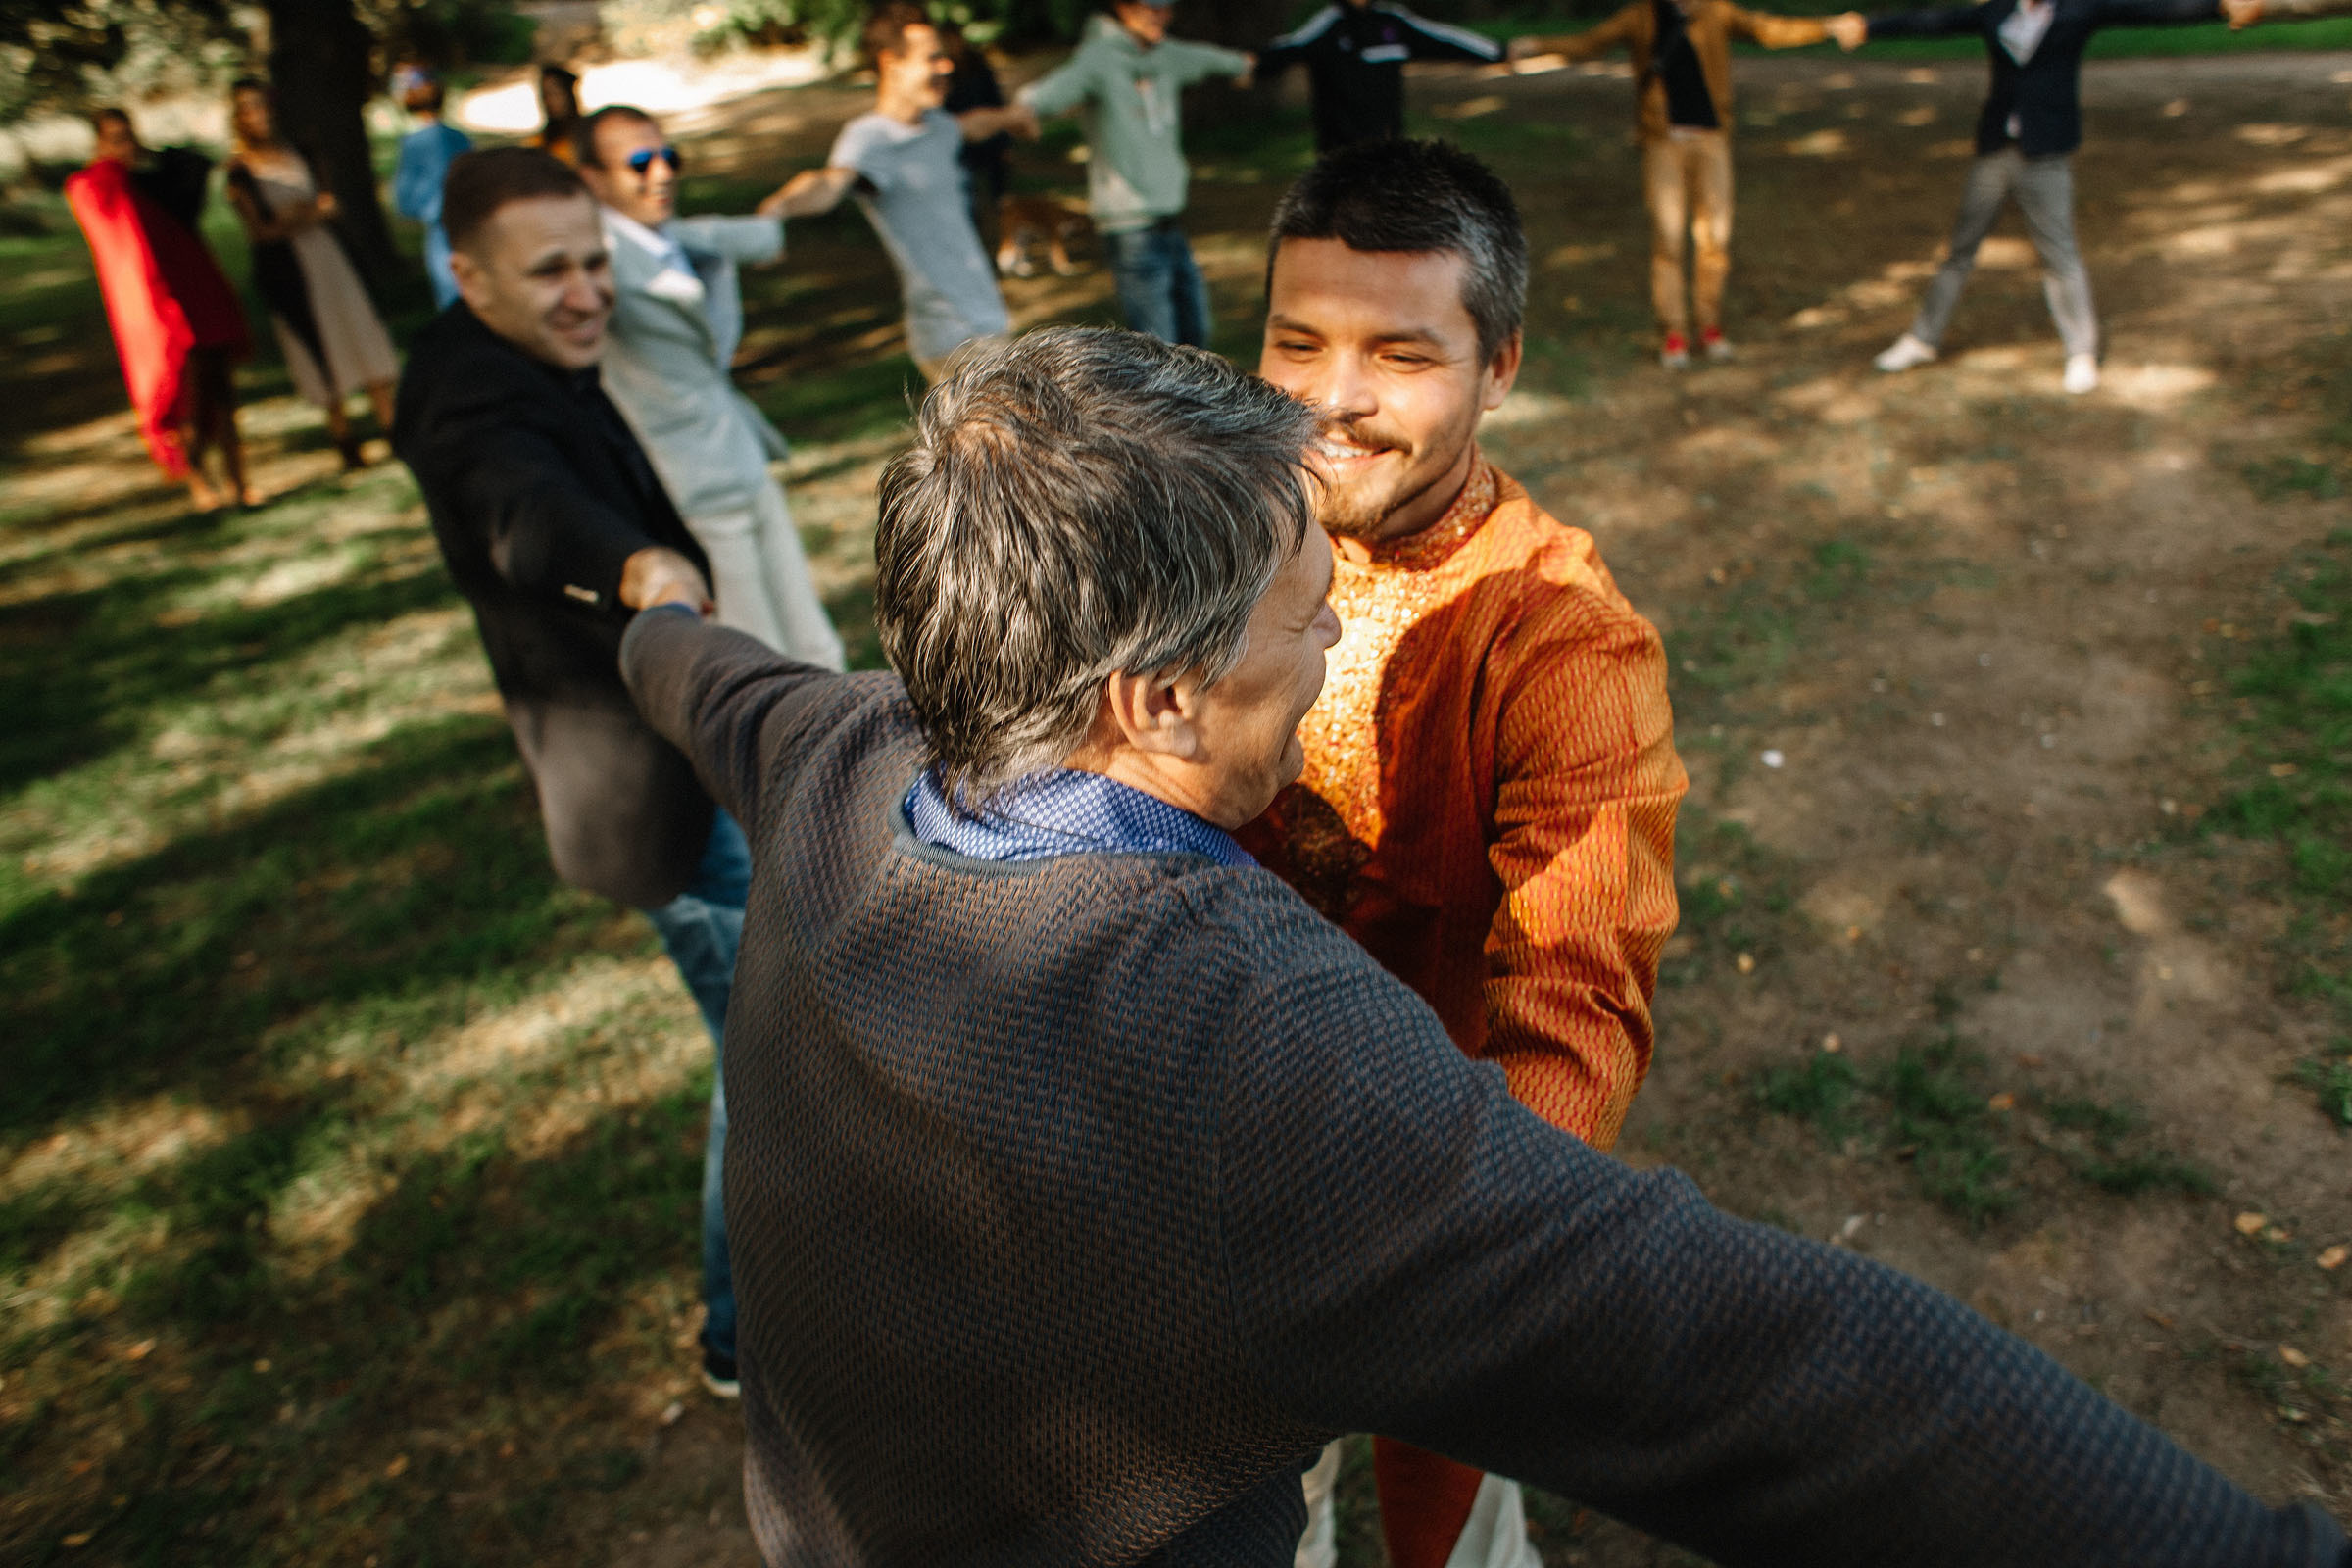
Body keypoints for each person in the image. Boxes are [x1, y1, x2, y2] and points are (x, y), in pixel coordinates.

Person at [616, 324, 2351, 1568]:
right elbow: (1756, 1369)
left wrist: (653, 619)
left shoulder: (852, 752)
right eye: (1308, 622)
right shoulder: (1239, 1043)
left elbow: (715, 685)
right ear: (1156, 697)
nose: (1328, 657)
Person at [1239, 137, 1685, 1568]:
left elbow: (1580, 984)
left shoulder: (1559, 636)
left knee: (1456, 1528)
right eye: (1295, 340)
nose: (1333, 399)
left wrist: (1467, 1253)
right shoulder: (1210, 540)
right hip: (1209, 1162)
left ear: (1499, 367)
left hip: (1435, 1196)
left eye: (1401, 354)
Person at [390, 147, 750, 1399]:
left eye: (596, 260)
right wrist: (639, 567)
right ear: (468, 276)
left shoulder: (520, 354)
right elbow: (521, 513)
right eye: (552, 270)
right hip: (643, 787)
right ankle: (738, 1333)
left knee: (777, 1037)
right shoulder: (465, 399)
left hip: (675, 756)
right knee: (770, 1049)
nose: (588, 291)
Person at [573, 104, 847, 667]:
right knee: (757, 652)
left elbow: (757, 236)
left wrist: (800, 197)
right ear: (592, 180)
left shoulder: (673, 236)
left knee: (811, 636)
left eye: (669, 157)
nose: (663, 174)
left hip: (741, 455)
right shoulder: (598, 264)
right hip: (689, 479)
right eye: (640, 162)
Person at [1866, 0, 2221, 394]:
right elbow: (1932, 20)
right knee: (1959, 252)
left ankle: (2080, 353)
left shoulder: (2078, 11)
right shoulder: (1997, 12)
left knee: (2061, 255)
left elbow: (2151, 10)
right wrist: (1866, 27)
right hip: (1996, 152)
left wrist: (2221, 6)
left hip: (2046, 157)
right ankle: (1922, 340)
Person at [1519, 1, 1866, 368]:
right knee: (1668, 239)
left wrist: (1827, 26)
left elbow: (1769, 29)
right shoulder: (1640, 16)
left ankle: (1710, 326)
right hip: (1662, 141)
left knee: (1715, 237)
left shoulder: (1714, 11)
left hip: (1711, 139)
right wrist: (1536, 46)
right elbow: (1590, 43)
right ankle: (1673, 334)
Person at [773, 4, 1035, 382]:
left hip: (985, 318)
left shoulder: (936, 126)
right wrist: (777, 209)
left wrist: (1012, 117)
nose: (946, 67)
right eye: (932, 58)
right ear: (890, 63)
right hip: (951, 334)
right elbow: (829, 186)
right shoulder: (869, 137)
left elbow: (971, 125)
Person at [1017, 0, 1253, 347]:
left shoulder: (1166, 55)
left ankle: (1193, 400)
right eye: (1152, 6)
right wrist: (1024, 108)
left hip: (1169, 218)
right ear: (1124, 7)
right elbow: (1050, 93)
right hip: (1130, 227)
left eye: (1168, 7)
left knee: (1196, 336)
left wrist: (1242, 65)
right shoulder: (1099, 59)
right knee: (1161, 347)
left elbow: (1208, 58)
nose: (1162, 15)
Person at [65, 108, 254, 510]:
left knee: (220, 387)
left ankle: (240, 481)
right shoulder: (99, 187)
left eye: (129, 137)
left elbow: (193, 186)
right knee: (184, 394)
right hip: (158, 306)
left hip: (198, 291)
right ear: (99, 143)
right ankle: (200, 481)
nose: (126, 147)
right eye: (115, 139)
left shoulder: (158, 179)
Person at [221, 77, 400, 469]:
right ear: (239, 117)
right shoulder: (240, 173)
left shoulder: (301, 150)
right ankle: (346, 439)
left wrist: (300, 215)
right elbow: (261, 231)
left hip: (330, 256)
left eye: (262, 105)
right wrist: (301, 216)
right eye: (248, 108)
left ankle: (391, 428)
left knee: (359, 329)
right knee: (317, 344)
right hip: (290, 270)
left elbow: (328, 204)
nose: (259, 114)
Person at [1256, 0, 1505, 154]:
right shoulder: (1328, 25)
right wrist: (1254, 66)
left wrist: (1497, 52)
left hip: (1388, 143)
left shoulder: (1393, 21)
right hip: (1339, 149)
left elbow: (1443, 39)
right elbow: (1288, 49)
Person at [392, 65, 473, 309]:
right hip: (458, 227)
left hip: (451, 228)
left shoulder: (419, 142)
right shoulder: (455, 139)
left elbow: (405, 199)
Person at [938, 18, 1013, 245]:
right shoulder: (943, 74)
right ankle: (975, 242)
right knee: (968, 198)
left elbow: (996, 101)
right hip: (962, 147)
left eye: (955, 40)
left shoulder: (978, 65)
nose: (953, 45)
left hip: (991, 140)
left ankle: (1006, 242)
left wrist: (1005, 141)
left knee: (1001, 198)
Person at [531, 63, 584, 164]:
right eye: (545, 95)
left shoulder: (588, 134)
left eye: (555, 93)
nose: (550, 101)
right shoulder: (538, 142)